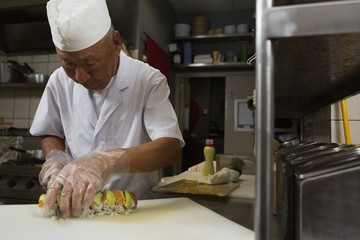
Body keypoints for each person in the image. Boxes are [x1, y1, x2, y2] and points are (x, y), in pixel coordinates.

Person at [30, 0, 184, 219]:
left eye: (90, 63)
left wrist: (108, 161)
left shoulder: (147, 80)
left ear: (115, 43)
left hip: (136, 209)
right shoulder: (58, 81)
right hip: (76, 206)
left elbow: (171, 147)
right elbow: (51, 131)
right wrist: (55, 157)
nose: (80, 77)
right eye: (68, 64)